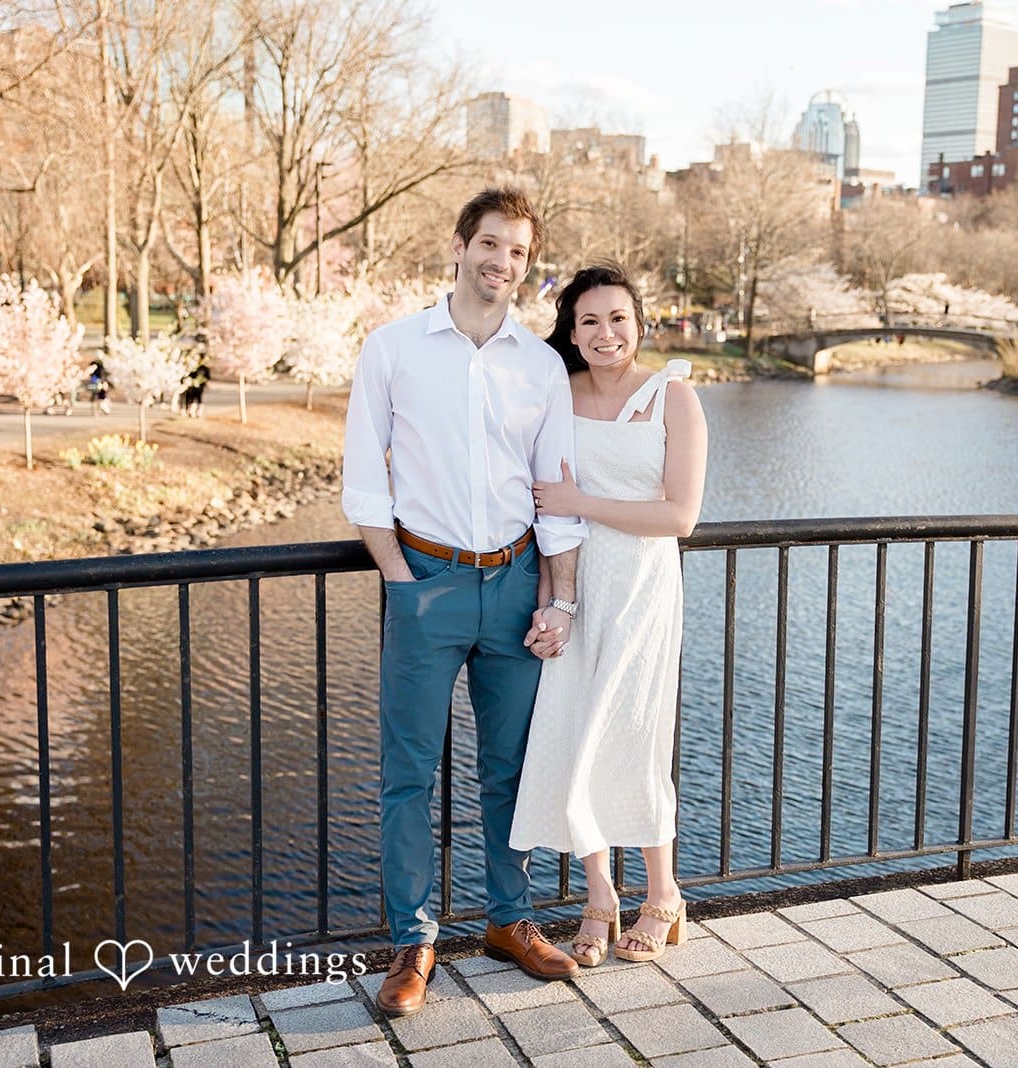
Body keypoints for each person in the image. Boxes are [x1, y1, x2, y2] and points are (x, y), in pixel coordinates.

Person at [341, 188, 589, 1018]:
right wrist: (400, 581)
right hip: (427, 583)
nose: (503, 263)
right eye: (491, 244)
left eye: (518, 252)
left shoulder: (540, 364)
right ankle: (413, 944)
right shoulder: (394, 348)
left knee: (510, 770)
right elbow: (362, 479)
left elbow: (557, 493)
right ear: (459, 245)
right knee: (408, 775)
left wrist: (561, 600)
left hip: (518, 585)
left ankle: (509, 921)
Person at [509, 263, 709, 967]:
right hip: (574, 591)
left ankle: (664, 895)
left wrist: (582, 504)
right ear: (570, 330)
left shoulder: (672, 397)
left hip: (642, 592)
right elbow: (539, 508)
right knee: (572, 735)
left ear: (640, 323)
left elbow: (679, 516)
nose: (605, 333)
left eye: (618, 318)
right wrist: (549, 602)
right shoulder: (555, 397)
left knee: (634, 735)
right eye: (588, 321)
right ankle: (600, 897)